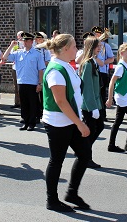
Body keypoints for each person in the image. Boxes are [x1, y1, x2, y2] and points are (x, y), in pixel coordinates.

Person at [43, 34, 91, 212]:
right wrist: (79, 123)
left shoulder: (66, 66)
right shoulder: (56, 70)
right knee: (56, 161)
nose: (76, 49)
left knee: (85, 154)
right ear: (64, 49)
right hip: (58, 122)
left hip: (69, 120)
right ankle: (52, 200)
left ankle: (71, 192)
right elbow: (61, 101)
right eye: (74, 46)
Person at [3, 32, 46, 131]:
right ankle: (25, 121)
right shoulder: (18, 53)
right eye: (24, 40)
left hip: (32, 82)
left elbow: (40, 69)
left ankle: (32, 122)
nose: (25, 42)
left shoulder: (37, 54)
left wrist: (40, 83)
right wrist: (11, 46)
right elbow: (5, 57)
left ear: (32, 41)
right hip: (22, 81)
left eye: (27, 40)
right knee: (24, 103)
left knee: (32, 103)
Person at [78, 37, 104, 168]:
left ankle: (84, 152)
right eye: (97, 46)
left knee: (98, 128)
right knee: (91, 130)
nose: (99, 48)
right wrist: (93, 107)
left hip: (95, 102)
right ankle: (85, 156)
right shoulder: (88, 64)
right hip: (89, 105)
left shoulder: (93, 62)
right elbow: (87, 87)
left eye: (100, 45)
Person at [92, 26, 114, 122]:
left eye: (99, 34)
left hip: (102, 72)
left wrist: (102, 63)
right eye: (95, 34)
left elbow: (111, 58)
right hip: (93, 71)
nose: (97, 35)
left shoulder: (106, 46)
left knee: (101, 94)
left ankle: (102, 114)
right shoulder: (91, 45)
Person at [10, 30, 24, 108]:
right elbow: (11, 55)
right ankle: (17, 102)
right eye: (20, 36)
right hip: (15, 67)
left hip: (23, 68)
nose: (21, 38)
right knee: (16, 85)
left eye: (22, 36)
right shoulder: (15, 45)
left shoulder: (26, 44)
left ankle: (23, 102)